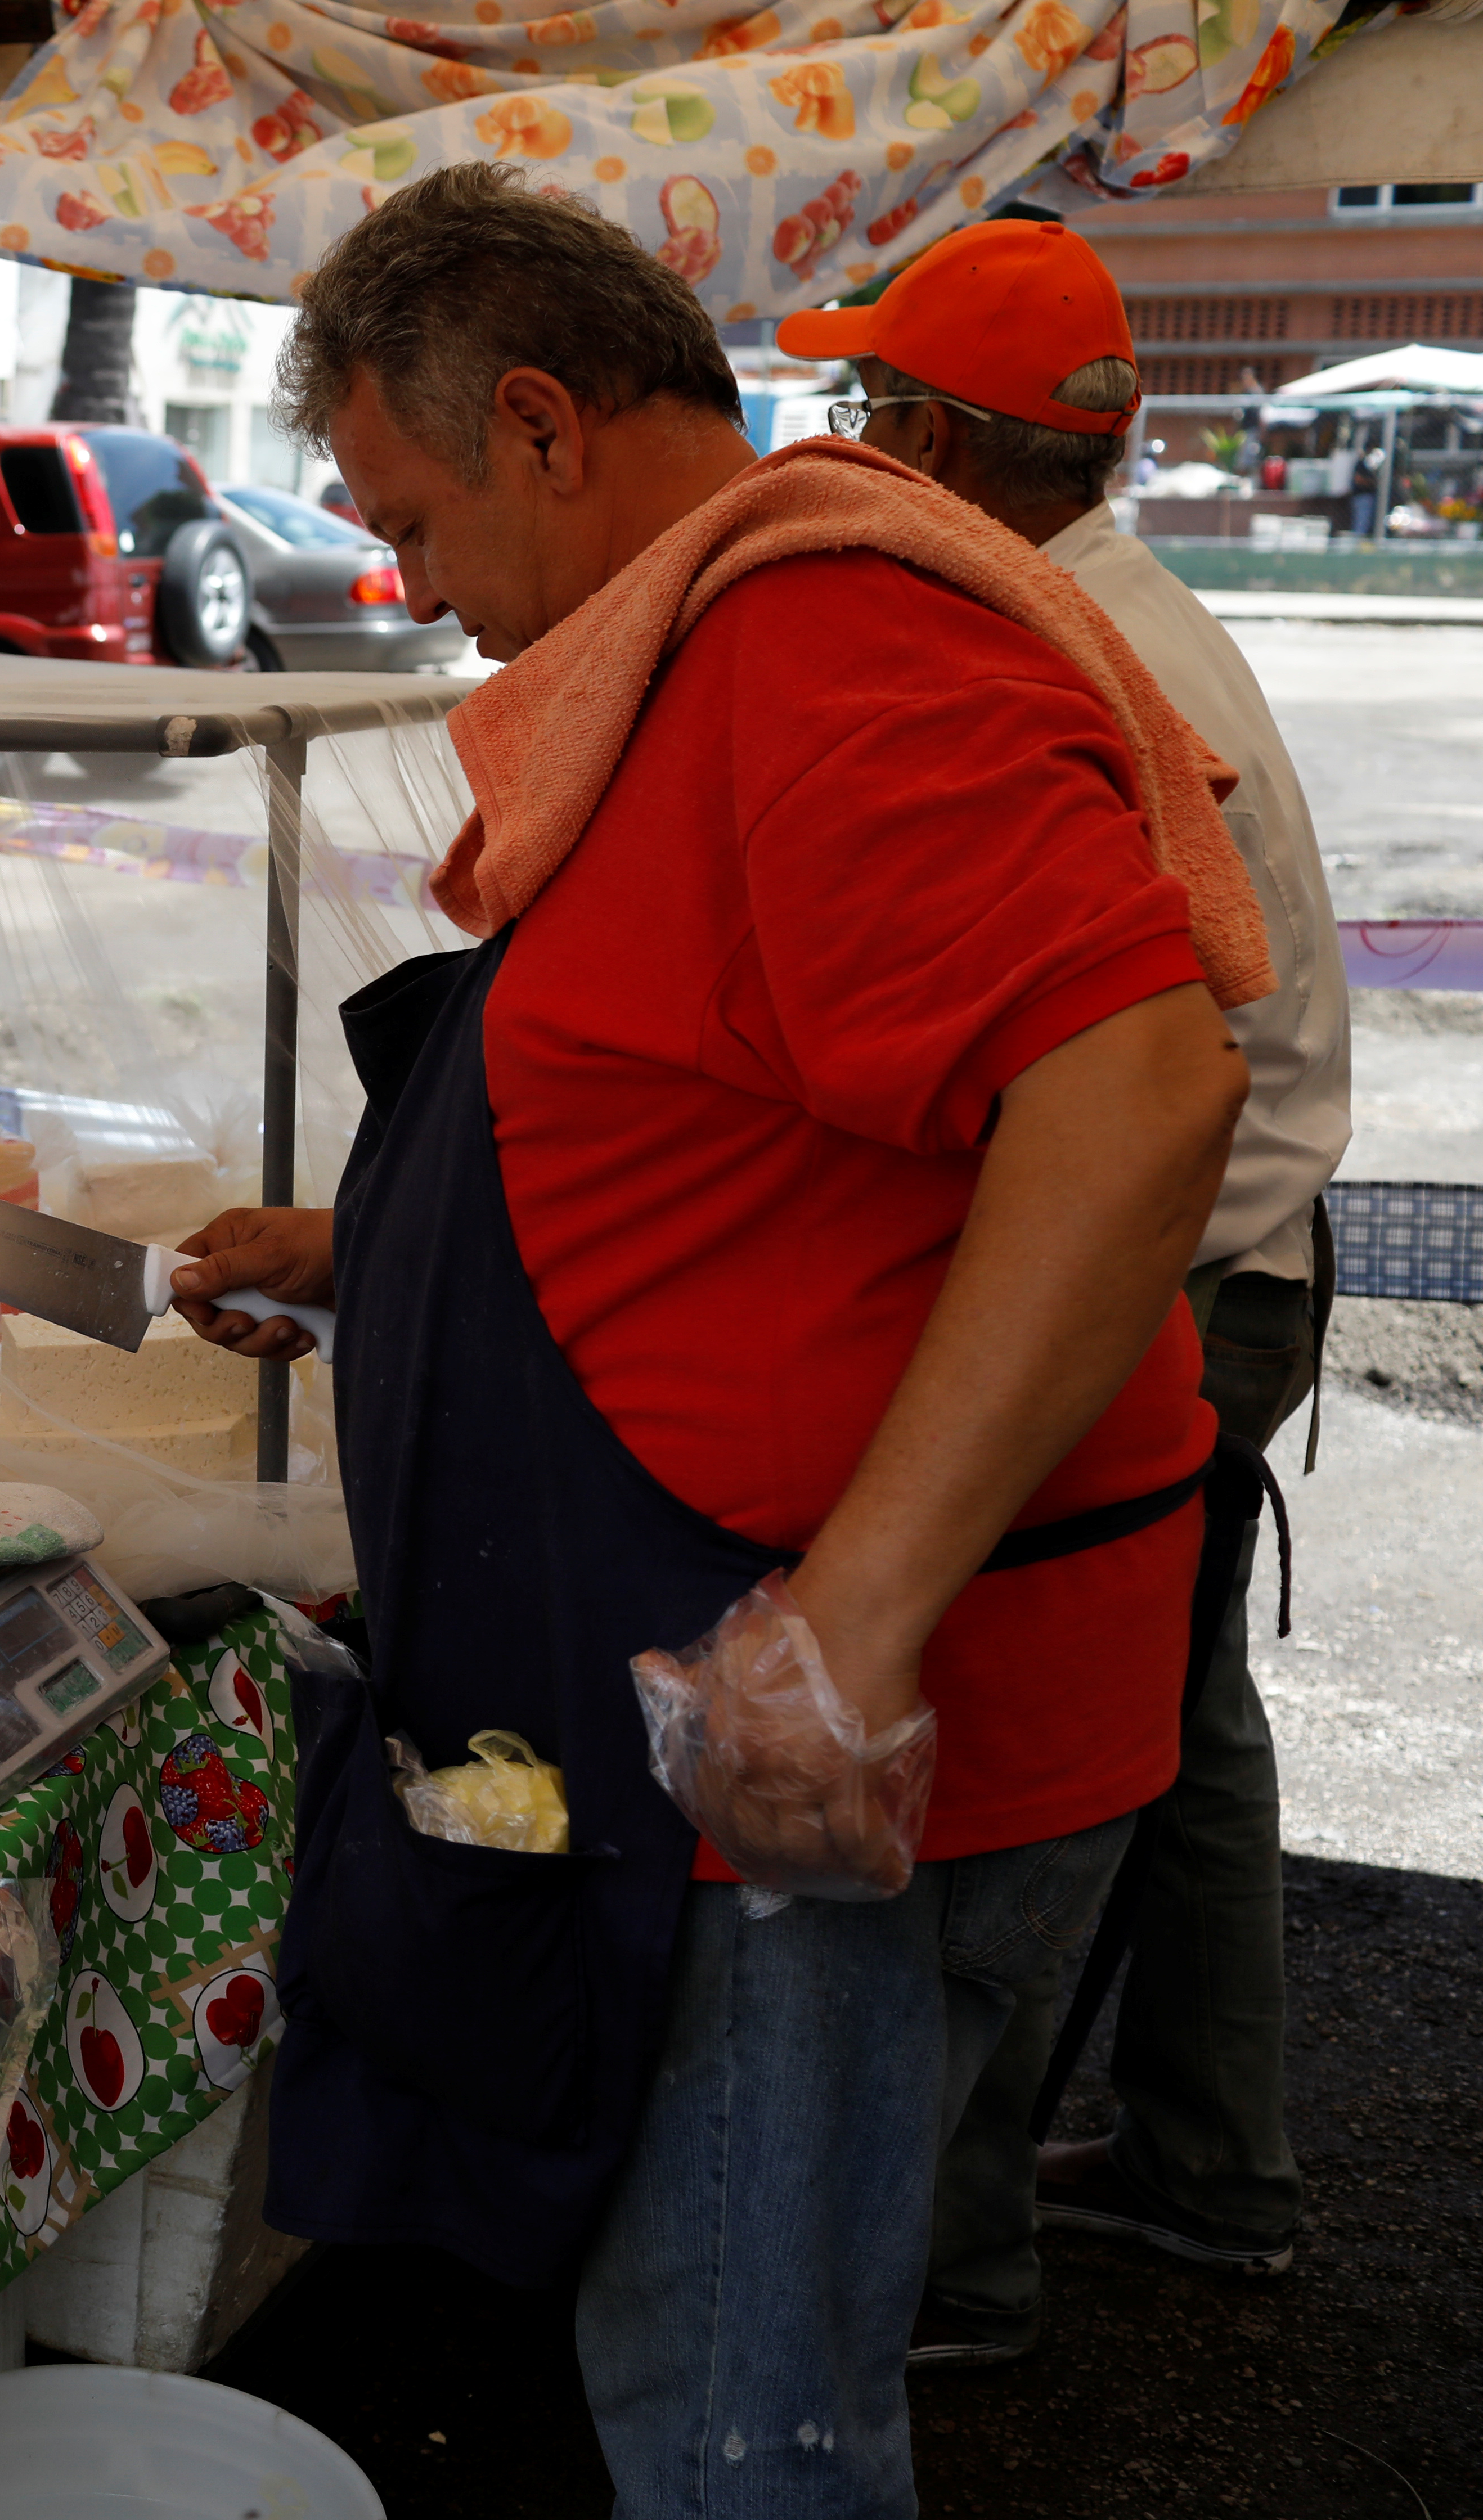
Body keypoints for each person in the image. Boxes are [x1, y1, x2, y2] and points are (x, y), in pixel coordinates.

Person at [170, 165, 1260, 2519]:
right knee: (694, 2361)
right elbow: (742, 1114)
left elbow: (1142, 1087)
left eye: (417, 516)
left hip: (805, 1728)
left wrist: (848, 1626)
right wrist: (380, 1250)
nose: (417, 592)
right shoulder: (684, 656)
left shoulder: (825, 644)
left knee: (745, 2421)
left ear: (547, 421)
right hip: (717, 1680)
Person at [797, 219, 1347, 2351]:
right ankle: (1219, 2169)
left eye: (866, 412)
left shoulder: (1075, 665)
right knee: (1181, 1737)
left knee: (1026, 1744)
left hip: (1187, 1278)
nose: (851, 446)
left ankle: (952, 2263)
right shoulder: (1108, 612)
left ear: (933, 439)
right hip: (1247, 1251)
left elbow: (1113, 1084)